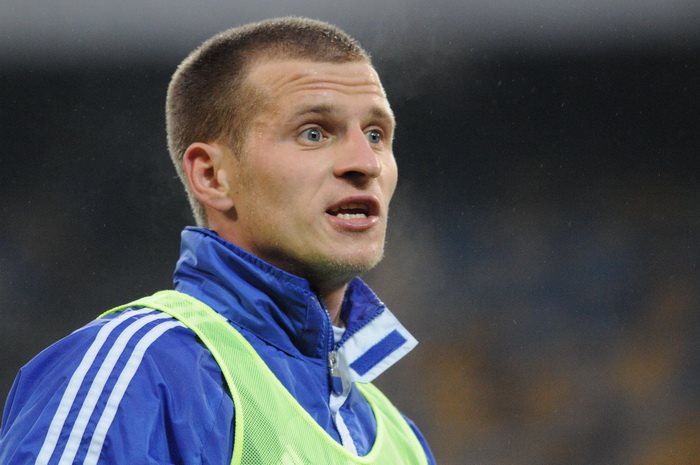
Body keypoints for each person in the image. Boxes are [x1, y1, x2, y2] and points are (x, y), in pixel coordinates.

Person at [0, 17, 436, 465]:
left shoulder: (403, 443)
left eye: (375, 135)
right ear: (212, 176)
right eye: (313, 133)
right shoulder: (139, 373)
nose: (366, 163)